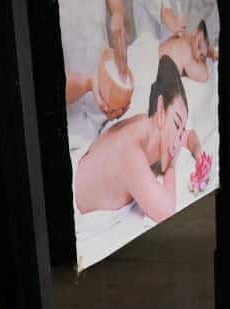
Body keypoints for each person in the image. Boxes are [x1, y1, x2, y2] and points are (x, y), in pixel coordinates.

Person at [74, 56, 203, 222]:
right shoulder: (131, 150)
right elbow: (166, 211)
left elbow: (189, 136)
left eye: (181, 129)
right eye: (177, 124)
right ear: (161, 111)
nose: (178, 142)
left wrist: (199, 154)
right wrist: (171, 165)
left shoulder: (150, 123)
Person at [62, 0, 133, 140]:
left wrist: (119, 18)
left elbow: (119, 11)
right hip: (71, 133)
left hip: (108, 119)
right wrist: (87, 83)